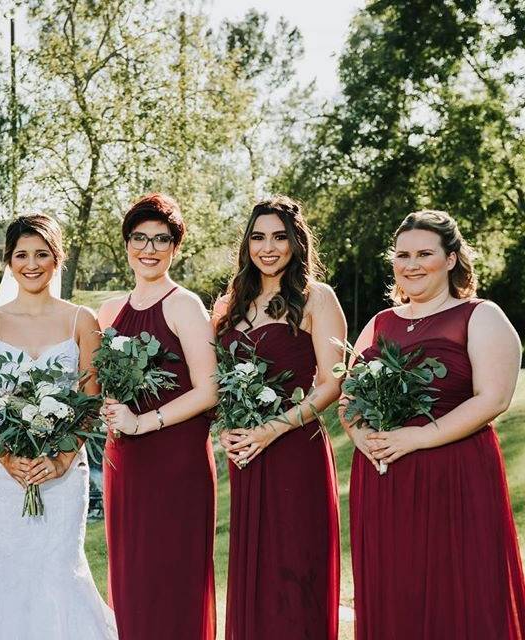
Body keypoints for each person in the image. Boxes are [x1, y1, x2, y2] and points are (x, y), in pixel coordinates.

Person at [343, 209, 525, 639]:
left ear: (451, 258)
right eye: (402, 255)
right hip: (384, 480)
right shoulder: (379, 323)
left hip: (455, 477)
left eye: (425, 252)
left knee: (461, 588)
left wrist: (419, 437)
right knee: (396, 589)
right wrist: (363, 436)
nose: (412, 264)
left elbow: (494, 398)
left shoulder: (481, 316)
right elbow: (348, 396)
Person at [0, 214, 117, 639]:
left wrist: (62, 459)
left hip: (63, 473)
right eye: (21, 255)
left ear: (56, 259)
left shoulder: (81, 321)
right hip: (3, 471)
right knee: (6, 568)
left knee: (59, 566)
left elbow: (89, 399)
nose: (32, 264)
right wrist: (9, 459)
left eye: (41, 254)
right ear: (9, 262)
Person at [213, 196, 343, 640]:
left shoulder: (316, 299)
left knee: (294, 563)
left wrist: (273, 428)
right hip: (245, 453)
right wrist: (228, 427)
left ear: (296, 242)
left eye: (279, 237)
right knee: (255, 565)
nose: (268, 248)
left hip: (293, 448)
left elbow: (331, 383)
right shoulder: (229, 303)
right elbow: (218, 381)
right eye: (258, 237)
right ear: (246, 243)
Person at [98, 194, 219, 640]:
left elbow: (210, 390)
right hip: (125, 462)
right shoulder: (109, 311)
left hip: (176, 460)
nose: (149, 249)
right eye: (139, 238)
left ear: (175, 247)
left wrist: (142, 423)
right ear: (126, 244)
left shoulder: (184, 304)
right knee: (131, 580)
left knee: (173, 577)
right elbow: (104, 385)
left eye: (161, 240)